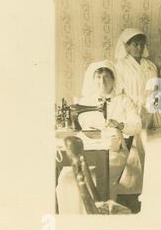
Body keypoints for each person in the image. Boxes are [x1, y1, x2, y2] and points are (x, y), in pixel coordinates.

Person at [56, 60, 144, 214]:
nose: (102, 81)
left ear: (114, 79)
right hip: (89, 144)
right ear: (92, 79)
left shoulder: (124, 100)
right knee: (66, 178)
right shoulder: (85, 101)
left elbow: (136, 125)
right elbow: (80, 125)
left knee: (100, 176)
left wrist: (120, 125)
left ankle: (101, 214)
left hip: (114, 148)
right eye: (98, 77)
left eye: (106, 77)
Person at [114, 28, 161, 129]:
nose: (140, 48)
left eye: (142, 44)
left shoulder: (151, 65)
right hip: (131, 110)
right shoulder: (120, 66)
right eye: (135, 45)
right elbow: (119, 93)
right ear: (126, 46)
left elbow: (156, 90)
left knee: (153, 140)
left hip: (151, 111)